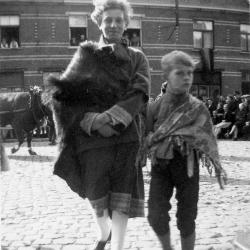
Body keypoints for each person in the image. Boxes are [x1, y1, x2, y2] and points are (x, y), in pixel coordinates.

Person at [43, 1, 150, 250]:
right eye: (108, 20)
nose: (113, 24)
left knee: (122, 200)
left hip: (126, 139)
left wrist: (110, 118)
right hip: (92, 142)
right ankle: (104, 233)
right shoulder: (85, 55)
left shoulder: (137, 58)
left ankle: (118, 247)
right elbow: (63, 96)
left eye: (119, 20)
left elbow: (140, 91)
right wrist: (91, 121)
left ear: (126, 24)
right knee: (96, 199)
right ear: (99, 22)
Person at [145, 50, 226, 250]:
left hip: (187, 167)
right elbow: (146, 135)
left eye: (189, 73)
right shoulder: (155, 107)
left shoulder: (198, 108)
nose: (187, 77)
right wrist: (151, 140)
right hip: (160, 167)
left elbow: (207, 138)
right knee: (155, 215)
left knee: (187, 217)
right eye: (180, 73)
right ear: (167, 76)